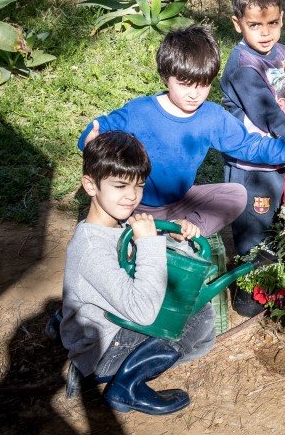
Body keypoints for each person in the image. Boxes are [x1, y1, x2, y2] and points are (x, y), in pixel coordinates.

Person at [78, 25, 285, 237]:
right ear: (166, 76)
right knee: (112, 219)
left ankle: (186, 231)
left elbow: (251, 145)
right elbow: (97, 129)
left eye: (203, 85)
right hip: (136, 205)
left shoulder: (211, 117)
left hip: (181, 203)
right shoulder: (140, 111)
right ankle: (140, 233)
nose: (194, 94)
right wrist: (88, 140)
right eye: (185, 84)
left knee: (236, 194)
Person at [60, 130, 214, 415]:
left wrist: (168, 236)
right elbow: (143, 311)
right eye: (120, 186)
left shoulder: (111, 225)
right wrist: (147, 242)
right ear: (90, 185)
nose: (132, 197)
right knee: (198, 317)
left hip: (107, 327)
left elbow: (133, 264)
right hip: (102, 346)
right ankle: (125, 386)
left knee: (188, 310)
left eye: (139, 186)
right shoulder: (91, 248)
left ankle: (112, 369)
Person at [220, 0, 285, 260]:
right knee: (254, 231)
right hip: (251, 166)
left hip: (278, 159)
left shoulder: (282, 53)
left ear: (282, 19)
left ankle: (275, 283)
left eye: (272, 24)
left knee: (280, 220)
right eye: (254, 25)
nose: (265, 33)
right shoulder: (243, 65)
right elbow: (267, 115)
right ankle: (251, 290)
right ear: (237, 23)